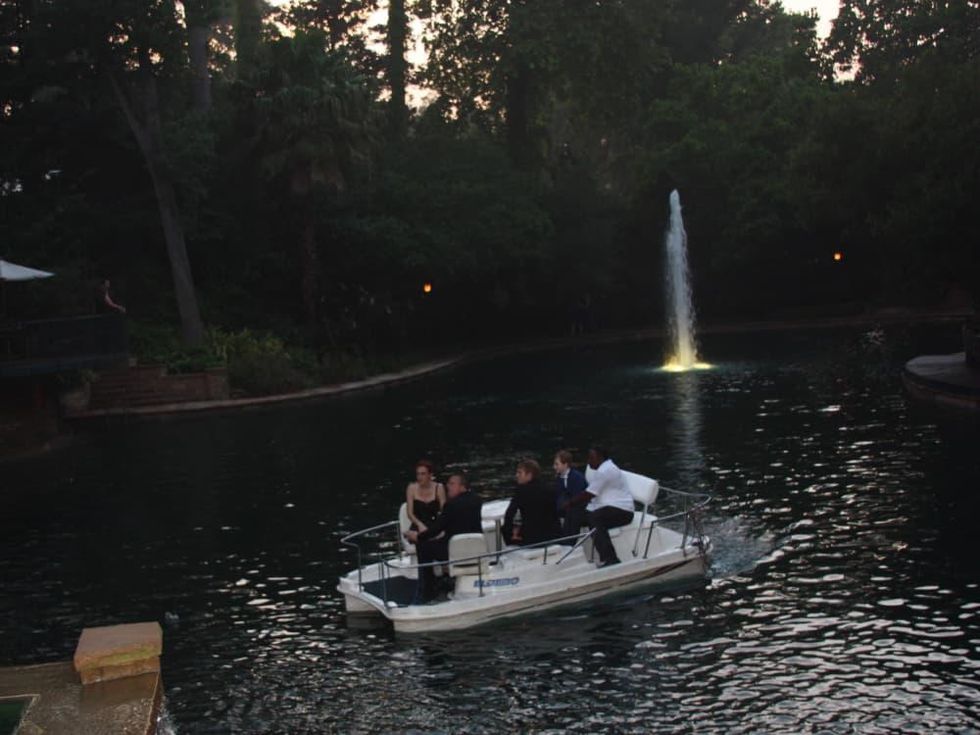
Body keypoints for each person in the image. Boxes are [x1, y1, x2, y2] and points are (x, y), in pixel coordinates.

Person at [405, 472, 482, 602]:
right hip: (475, 549)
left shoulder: (451, 505)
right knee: (436, 542)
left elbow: (436, 529)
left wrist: (418, 536)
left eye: (452, 484)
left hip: (454, 550)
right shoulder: (477, 500)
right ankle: (446, 578)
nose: (448, 486)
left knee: (423, 547)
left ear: (462, 487)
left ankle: (427, 590)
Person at [579, 446, 635, 567]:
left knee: (595, 518)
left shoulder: (606, 471)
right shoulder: (602, 469)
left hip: (623, 511)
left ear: (600, 457)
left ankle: (611, 558)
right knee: (577, 515)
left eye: (591, 458)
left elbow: (589, 494)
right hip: (609, 505)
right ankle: (567, 546)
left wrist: (569, 503)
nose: (588, 461)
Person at [501, 459, 561, 547]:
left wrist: (512, 532)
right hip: (552, 536)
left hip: (531, 539)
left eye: (520, 473)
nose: (516, 475)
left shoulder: (521, 491)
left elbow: (509, 515)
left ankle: (511, 551)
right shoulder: (550, 489)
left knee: (504, 530)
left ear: (529, 475)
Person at [553, 449, 588, 541]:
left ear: (565, 464)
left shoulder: (577, 478)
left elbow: (579, 497)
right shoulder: (559, 478)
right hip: (567, 506)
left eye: (557, 464)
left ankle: (569, 541)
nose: (554, 467)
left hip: (580, 508)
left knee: (573, 513)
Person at [405, 459, 446, 536]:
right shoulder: (411, 488)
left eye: (423, 474)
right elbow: (410, 513)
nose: (419, 477)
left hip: (434, 523)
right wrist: (420, 525)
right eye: (418, 474)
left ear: (430, 475)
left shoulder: (439, 487)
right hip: (418, 524)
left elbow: (444, 510)